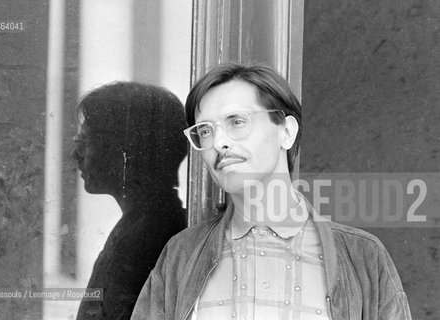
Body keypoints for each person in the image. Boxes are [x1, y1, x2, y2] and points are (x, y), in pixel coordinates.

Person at [130, 63, 412, 320]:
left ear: (286, 132)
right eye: (205, 130)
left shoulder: (363, 257)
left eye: (236, 121)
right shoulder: (181, 254)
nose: (219, 142)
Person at [71, 82, 188, 320]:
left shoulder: (147, 238)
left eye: (85, 142)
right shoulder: (147, 226)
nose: (75, 155)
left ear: (126, 151)